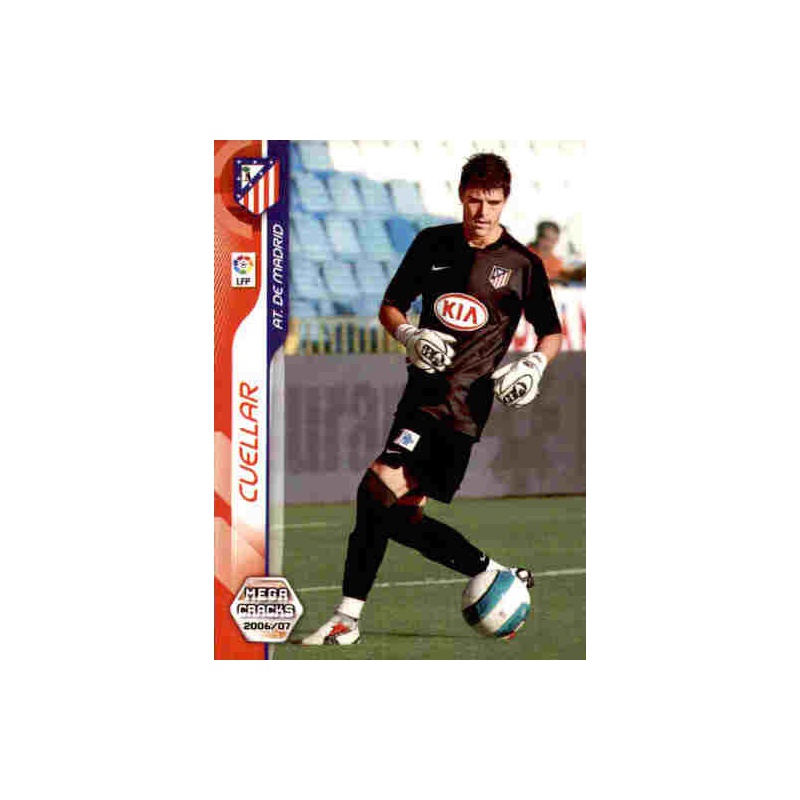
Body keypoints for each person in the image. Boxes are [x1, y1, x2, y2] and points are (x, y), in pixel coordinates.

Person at [301, 153, 563, 645]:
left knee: (382, 495)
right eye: (474, 200)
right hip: (418, 396)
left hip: (463, 411)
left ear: (505, 201)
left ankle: (350, 617)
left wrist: (534, 364)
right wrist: (408, 334)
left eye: (492, 202)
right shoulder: (432, 244)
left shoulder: (522, 264)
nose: (482, 211)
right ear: (461, 196)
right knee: (391, 508)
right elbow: (391, 306)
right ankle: (484, 572)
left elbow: (551, 331)